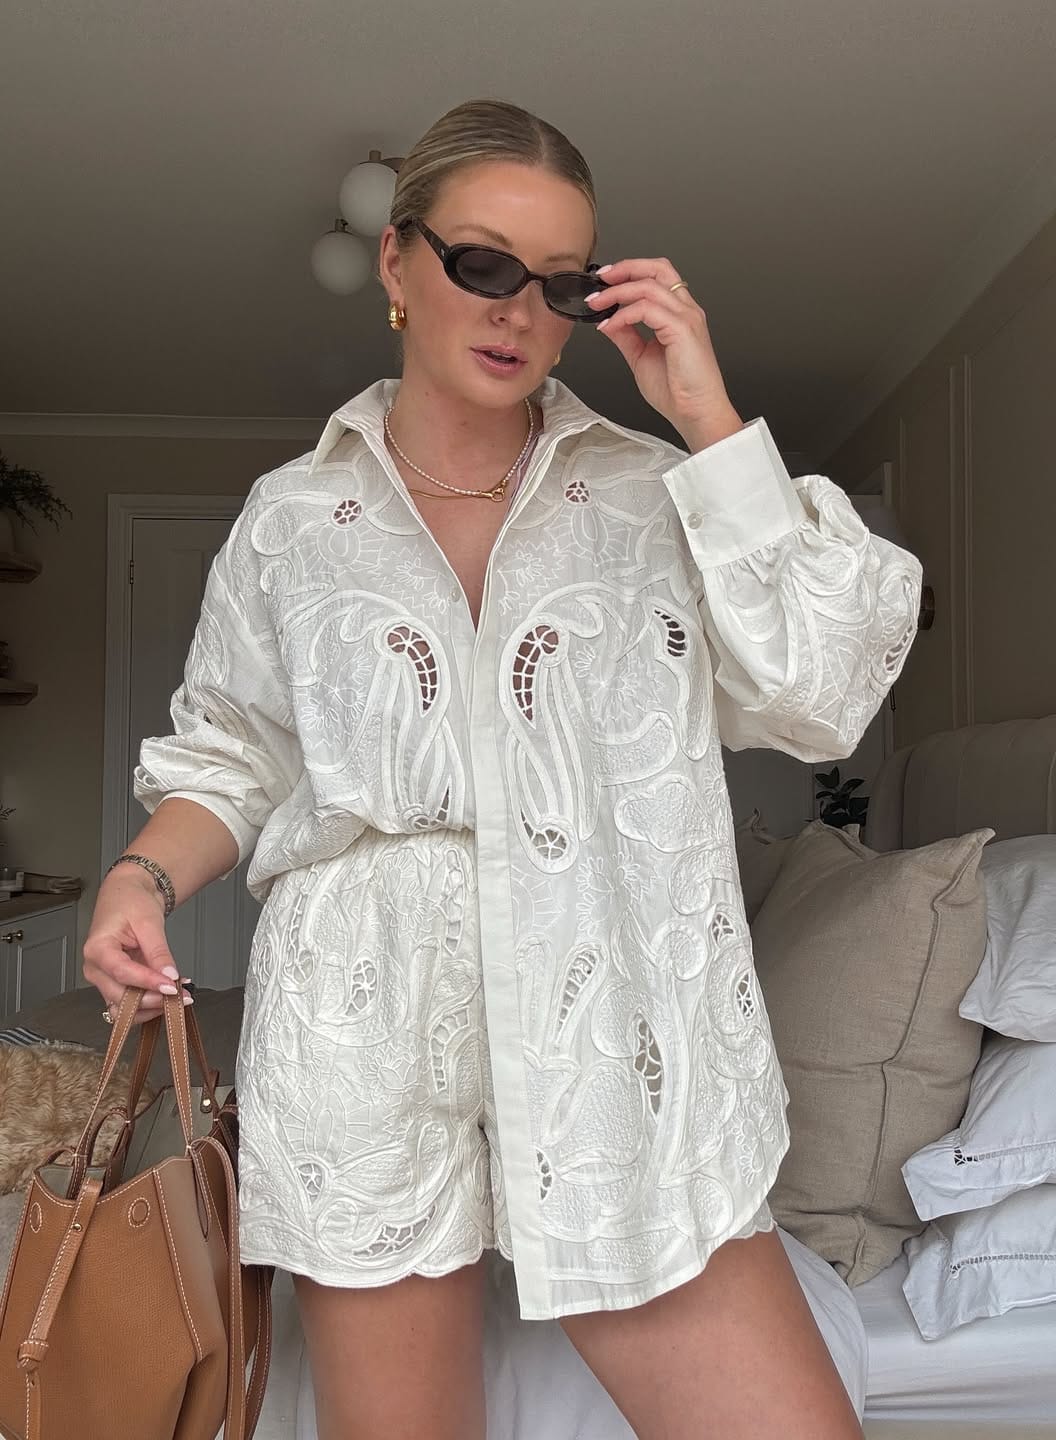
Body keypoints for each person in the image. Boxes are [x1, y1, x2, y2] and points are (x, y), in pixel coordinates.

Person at [83, 98, 921, 1440]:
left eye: (564, 283)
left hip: (616, 1038)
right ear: (401, 267)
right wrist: (138, 879)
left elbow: (822, 701)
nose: (519, 308)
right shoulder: (293, 520)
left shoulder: (659, 495)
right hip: (366, 1047)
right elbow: (235, 752)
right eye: (482, 263)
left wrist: (708, 419)